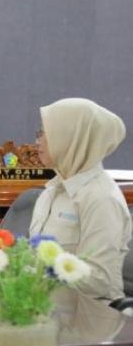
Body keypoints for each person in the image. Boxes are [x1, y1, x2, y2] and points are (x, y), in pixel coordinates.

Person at [30, 98, 131, 301]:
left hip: (91, 313)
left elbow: (98, 282)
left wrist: (30, 273)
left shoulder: (102, 199)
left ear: (72, 137)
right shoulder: (51, 191)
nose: (37, 140)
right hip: (48, 305)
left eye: (45, 132)